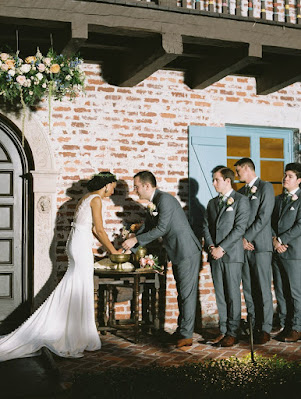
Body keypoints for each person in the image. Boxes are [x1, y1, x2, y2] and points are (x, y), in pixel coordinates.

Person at [0, 172, 120, 362]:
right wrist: (114, 251)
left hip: (75, 244)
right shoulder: (96, 199)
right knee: (79, 289)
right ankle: (69, 335)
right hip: (80, 247)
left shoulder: (86, 197)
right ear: (106, 185)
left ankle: (76, 333)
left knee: (75, 288)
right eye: (113, 186)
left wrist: (106, 247)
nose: (113, 190)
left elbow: (91, 229)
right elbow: (99, 229)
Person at [122, 171, 202, 348]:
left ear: (147, 186)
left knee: (187, 295)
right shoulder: (154, 203)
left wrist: (135, 240)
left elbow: (161, 229)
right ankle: (182, 330)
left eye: (136, 186)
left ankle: (187, 335)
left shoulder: (164, 200)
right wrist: (130, 243)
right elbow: (148, 227)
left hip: (187, 251)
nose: (135, 190)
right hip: (177, 252)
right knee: (183, 293)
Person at [203, 166, 249, 347]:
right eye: (213, 180)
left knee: (232, 294)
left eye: (217, 180)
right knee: (220, 294)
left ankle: (233, 332)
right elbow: (205, 226)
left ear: (228, 181)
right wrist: (212, 246)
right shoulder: (212, 203)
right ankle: (223, 331)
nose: (214, 183)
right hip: (215, 255)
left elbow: (240, 228)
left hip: (231, 255)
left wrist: (222, 248)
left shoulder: (241, 201)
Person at [234, 158, 274, 344]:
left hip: (260, 246)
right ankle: (253, 325)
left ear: (247, 168)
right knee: (249, 289)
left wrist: (247, 237)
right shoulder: (240, 192)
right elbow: (239, 219)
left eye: (238, 171)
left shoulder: (266, 187)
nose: (237, 175)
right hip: (244, 247)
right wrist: (241, 240)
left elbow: (264, 216)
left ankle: (265, 328)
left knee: (263, 288)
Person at [271, 163, 301, 342]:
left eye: (290, 176)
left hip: (294, 252)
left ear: (299, 180)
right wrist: (274, 240)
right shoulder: (277, 200)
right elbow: (270, 223)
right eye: (285, 175)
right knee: (281, 290)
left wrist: (282, 240)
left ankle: (297, 327)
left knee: (296, 292)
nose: (285, 178)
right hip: (277, 252)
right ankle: (284, 325)